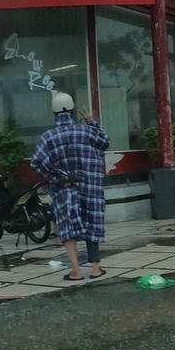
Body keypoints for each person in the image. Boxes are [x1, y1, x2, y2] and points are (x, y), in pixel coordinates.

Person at [31, 92, 109, 281]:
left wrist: (55, 174)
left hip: (64, 188)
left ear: (54, 112)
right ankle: (96, 269)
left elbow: (37, 162)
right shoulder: (86, 131)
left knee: (68, 227)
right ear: (73, 111)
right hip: (89, 185)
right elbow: (104, 142)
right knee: (92, 221)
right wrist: (91, 122)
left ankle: (76, 270)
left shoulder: (48, 137)